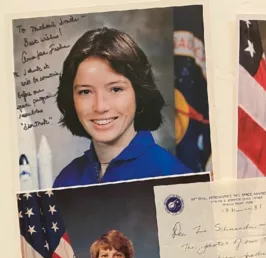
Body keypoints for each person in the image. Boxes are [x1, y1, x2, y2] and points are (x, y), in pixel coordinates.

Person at [54, 27, 192, 187]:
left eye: (115, 89)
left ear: (139, 93)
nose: (100, 107)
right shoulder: (66, 180)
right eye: (85, 92)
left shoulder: (175, 179)